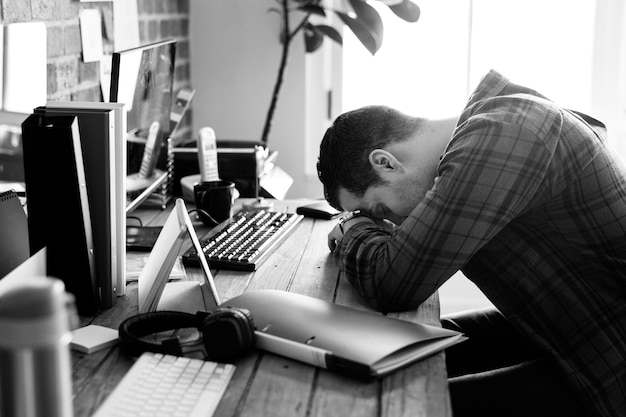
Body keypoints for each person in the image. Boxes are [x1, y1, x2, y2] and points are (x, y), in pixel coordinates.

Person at [316, 70, 626, 417]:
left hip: (610, 368)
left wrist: (353, 230)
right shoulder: (494, 126)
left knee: (398, 408)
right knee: (390, 344)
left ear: (386, 163)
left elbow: (393, 283)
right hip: (568, 326)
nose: (390, 223)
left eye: (379, 209)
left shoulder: (504, 134)